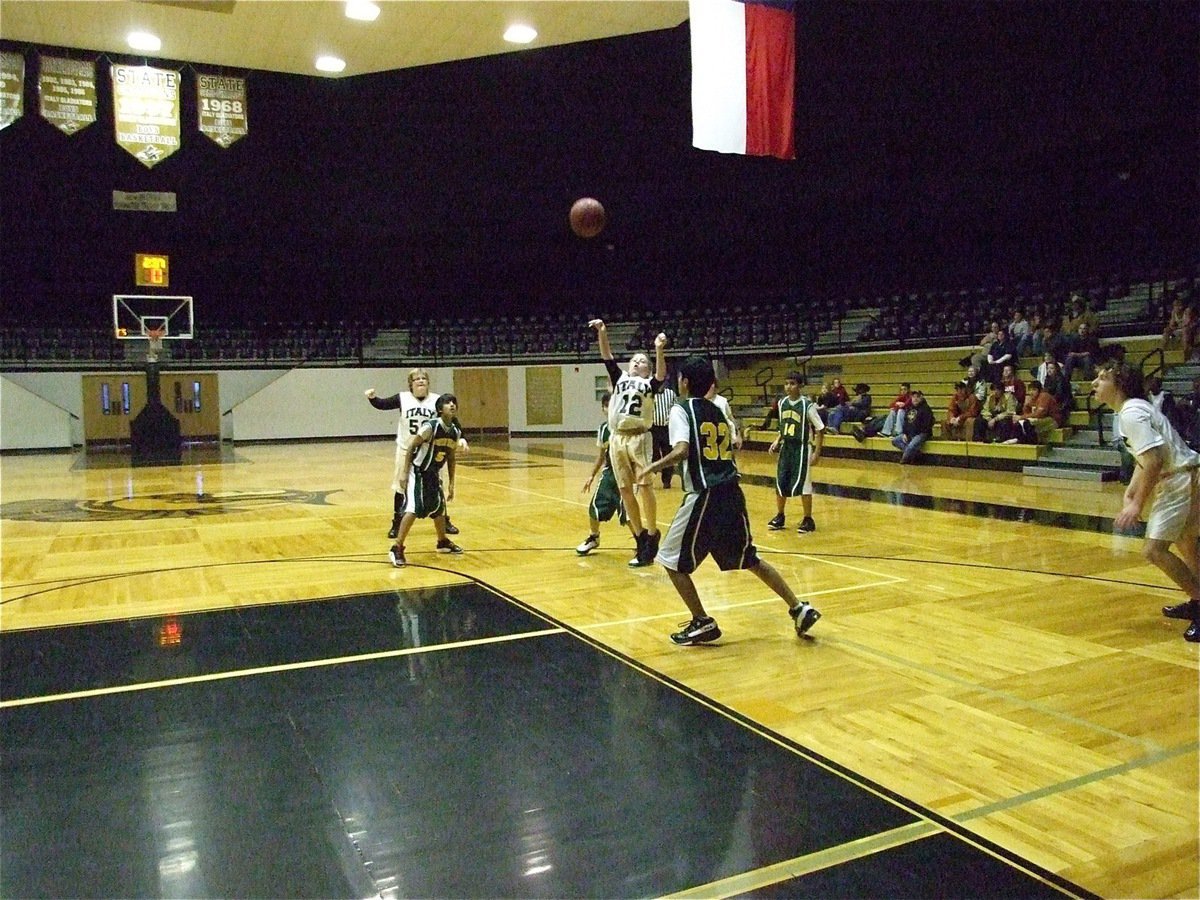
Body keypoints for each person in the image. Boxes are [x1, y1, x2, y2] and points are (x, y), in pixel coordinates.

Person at [638, 355, 821, 645]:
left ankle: (702, 621)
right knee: (750, 558)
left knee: (671, 560)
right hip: (732, 493)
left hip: (705, 494)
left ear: (684, 382)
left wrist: (650, 467)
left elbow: (682, 449)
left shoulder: (681, 409)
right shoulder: (717, 410)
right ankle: (798, 608)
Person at [1092, 363, 1199, 642]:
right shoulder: (1131, 410)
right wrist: (1131, 489)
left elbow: (1154, 461)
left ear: (1119, 385)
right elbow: (1147, 455)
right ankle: (1197, 600)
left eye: (1102, 378)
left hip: (1179, 479)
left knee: (1153, 550)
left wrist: (1136, 504)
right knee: (1186, 543)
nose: (1095, 383)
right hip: (1184, 475)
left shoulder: (1131, 413)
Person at [589, 318, 668, 567]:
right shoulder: (620, 378)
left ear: (647, 368)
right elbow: (607, 356)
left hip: (640, 437)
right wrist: (603, 332)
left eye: (642, 360)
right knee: (624, 490)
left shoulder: (650, 384)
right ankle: (640, 535)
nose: (637, 362)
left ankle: (653, 532)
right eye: (634, 359)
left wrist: (658, 349)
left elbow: (661, 374)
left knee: (644, 487)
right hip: (618, 438)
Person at [366, 368, 468, 540]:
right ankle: (397, 522)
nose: (420, 381)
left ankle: (445, 521)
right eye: (416, 379)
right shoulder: (403, 398)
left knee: (437, 484)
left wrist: (462, 438)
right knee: (401, 486)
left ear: (428, 383)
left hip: (430, 451)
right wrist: (372, 398)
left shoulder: (437, 400)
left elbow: (453, 419)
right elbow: (383, 404)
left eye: (424, 378)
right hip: (406, 448)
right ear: (410, 384)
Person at [387, 393, 464, 567]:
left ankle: (442, 541)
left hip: (433, 473)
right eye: (447, 403)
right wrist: (405, 473)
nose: (451, 405)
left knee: (438, 508)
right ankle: (397, 547)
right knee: (414, 508)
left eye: (454, 402)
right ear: (439, 409)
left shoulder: (455, 432)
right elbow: (412, 446)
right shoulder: (430, 426)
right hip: (418, 471)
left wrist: (452, 483)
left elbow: (451, 457)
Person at [576, 392, 638, 556]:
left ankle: (641, 541)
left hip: (627, 474)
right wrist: (591, 475)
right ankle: (594, 537)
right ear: (603, 409)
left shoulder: (628, 426)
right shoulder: (603, 429)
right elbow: (601, 456)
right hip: (610, 473)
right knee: (594, 506)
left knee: (628, 513)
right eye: (606, 406)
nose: (609, 410)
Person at [765, 370, 825, 533]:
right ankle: (780, 516)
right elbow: (784, 426)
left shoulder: (807, 405)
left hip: (802, 448)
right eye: (786, 383)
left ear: (800, 386)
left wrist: (816, 453)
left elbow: (820, 429)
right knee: (781, 481)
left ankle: (808, 519)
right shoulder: (782, 403)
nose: (788, 387)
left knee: (804, 484)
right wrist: (778, 440)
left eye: (792, 383)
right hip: (787, 447)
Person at [651, 377, 679, 488]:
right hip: (653, 428)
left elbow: (676, 408)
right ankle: (650, 477)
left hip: (667, 428)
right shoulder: (650, 393)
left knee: (668, 454)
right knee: (653, 454)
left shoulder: (671, 394)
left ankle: (666, 480)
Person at [1014, 379, 1062, 444]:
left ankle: (1032, 443)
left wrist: (1021, 417)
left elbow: (1040, 414)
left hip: (1053, 419)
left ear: (1039, 390)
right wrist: (1026, 405)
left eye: (1034, 390)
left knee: (1030, 425)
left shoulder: (1044, 396)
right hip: (1041, 418)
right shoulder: (1032, 398)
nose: (1031, 392)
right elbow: (1027, 413)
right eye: (1030, 390)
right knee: (1022, 424)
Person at [893, 389, 934, 463]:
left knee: (911, 446)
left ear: (921, 398)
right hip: (910, 434)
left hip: (922, 433)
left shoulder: (926, 409)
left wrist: (915, 434)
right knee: (895, 440)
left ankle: (904, 460)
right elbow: (906, 422)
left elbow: (927, 425)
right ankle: (916, 455)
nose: (915, 399)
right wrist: (905, 433)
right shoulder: (909, 408)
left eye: (917, 397)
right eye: (913, 397)